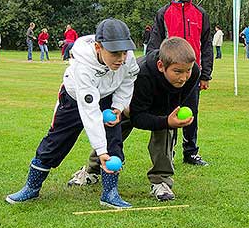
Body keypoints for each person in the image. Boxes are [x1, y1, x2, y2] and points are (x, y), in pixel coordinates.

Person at [5, 18, 139, 209]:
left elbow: (128, 80)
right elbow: (90, 112)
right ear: (99, 47)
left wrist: (117, 107)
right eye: (115, 53)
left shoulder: (127, 58)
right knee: (56, 142)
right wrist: (100, 151)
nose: (121, 58)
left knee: (113, 142)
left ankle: (110, 193)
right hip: (75, 99)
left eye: (124, 52)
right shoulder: (83, 67)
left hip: (108, 97)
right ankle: (31, 187)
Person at [68, 37, 200, 201]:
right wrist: (165, 120)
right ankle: (92, 171)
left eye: (187, 70)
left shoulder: (193, 72)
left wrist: (168, 120)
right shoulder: (142, 73)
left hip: (161, 106)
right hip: (130, 106)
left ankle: (161, 182)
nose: (184, 77)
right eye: (178, 72)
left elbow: (184, 100)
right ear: (161, 66)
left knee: (166, 130)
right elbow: (137, 117)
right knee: (113, 132)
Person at [146, 0, 213, 166]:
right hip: (169, 75)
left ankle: (191, 152)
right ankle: (168, 154)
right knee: (169, 113)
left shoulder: (200, 14)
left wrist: (205, 74)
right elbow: (154, 45)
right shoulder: (163, 13)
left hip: (192, 74)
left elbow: (207, 45)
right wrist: (155, 71)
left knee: (191, 112)